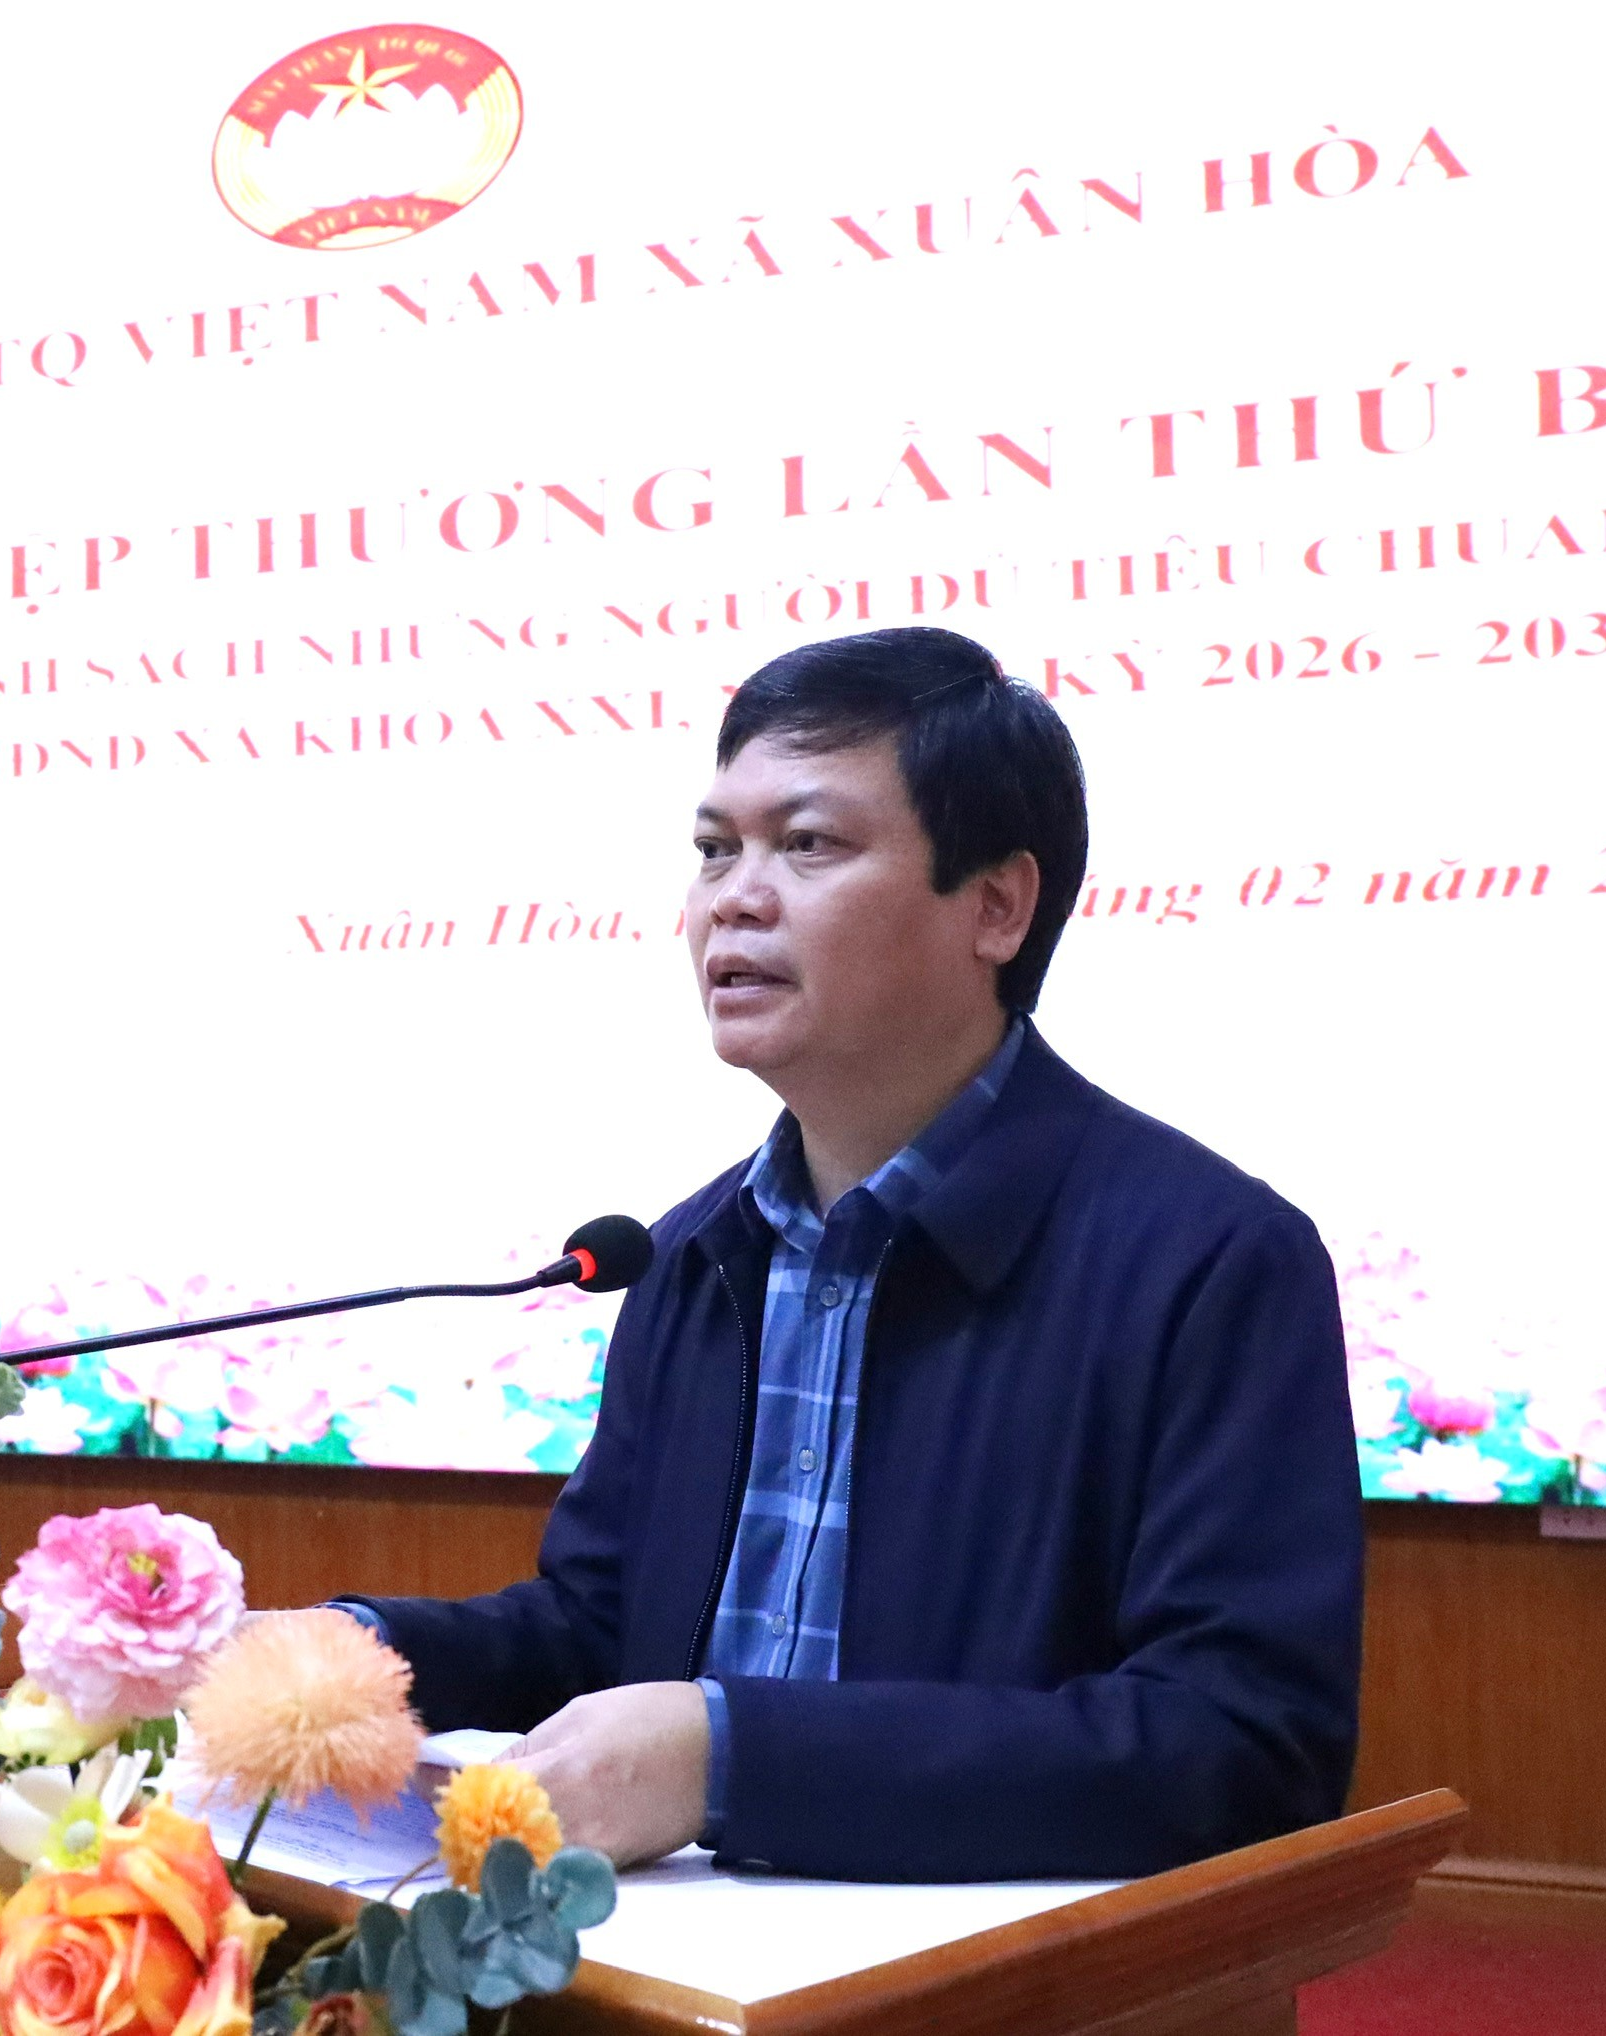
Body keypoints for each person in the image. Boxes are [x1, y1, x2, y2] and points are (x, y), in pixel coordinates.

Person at [338, 627, 1363, 1883]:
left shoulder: (1209, 1262)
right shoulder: (695, 1254)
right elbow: (602, 1628)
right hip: (684, 1960)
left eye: (808, 843)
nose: (733, 896)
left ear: (997, 904)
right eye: (713, 848)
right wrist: (350, 1655)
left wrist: (734, 1758)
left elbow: (1242, 1744)